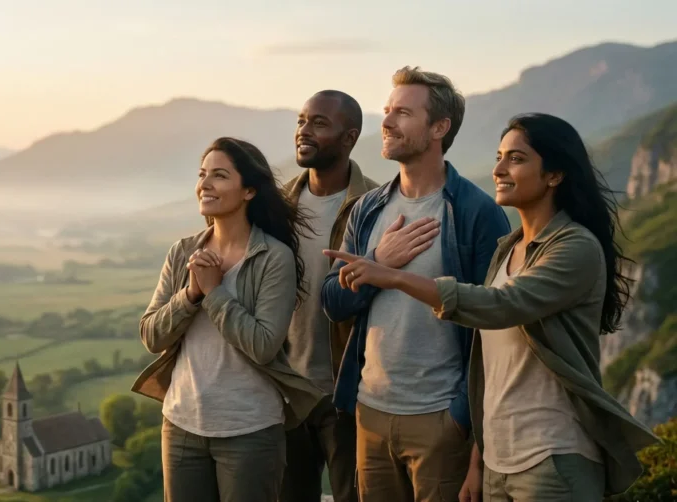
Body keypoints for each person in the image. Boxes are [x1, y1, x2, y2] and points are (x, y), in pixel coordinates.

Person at [324, 112, 660, 501]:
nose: (499, 168)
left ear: (555, 175)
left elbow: (501, 305)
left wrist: (393, 275)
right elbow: (491, 367)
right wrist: (478, 461)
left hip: (553, 455)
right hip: (499, 458)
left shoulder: (575, 247)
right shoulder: (508, 249)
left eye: (516, 159)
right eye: (499, 156)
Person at [321, 66, 512, 502]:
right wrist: (377, 264)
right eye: (387, 110)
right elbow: (334, 303)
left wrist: (465, 423)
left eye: (403, 112)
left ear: (439, 127)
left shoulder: (475, 213)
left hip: (442, 418)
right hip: (370, 411)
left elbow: (495, 323)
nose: (386, 121)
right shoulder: (367, 209)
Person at [131, 137, 327, 502]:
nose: (205, 184)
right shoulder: (183, 252)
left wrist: (215, 292)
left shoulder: (274, 258)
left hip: (250, 430)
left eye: (219, 176)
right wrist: (190, 295)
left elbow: (264, 345)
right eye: (202, 174)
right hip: (181, 426)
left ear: (249, 190)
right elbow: (151, 336)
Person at [279, 90, 379, 502]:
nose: (304, 131)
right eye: (302, 120)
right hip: (285, 393)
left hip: (347, 396)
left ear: (349, 137)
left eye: (319, 123)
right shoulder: (277, 206)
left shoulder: (377, 206)